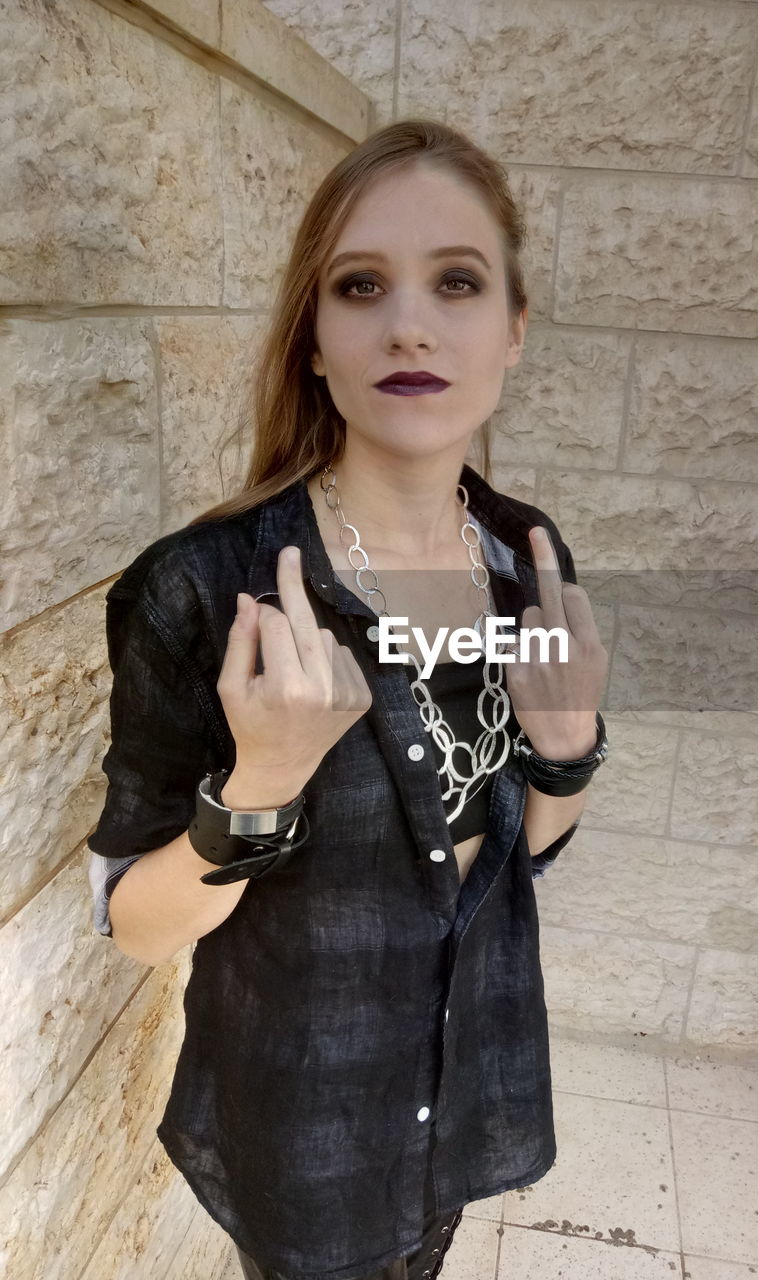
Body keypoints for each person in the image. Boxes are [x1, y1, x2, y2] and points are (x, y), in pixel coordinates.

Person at [86, 118, 610, 1280]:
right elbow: (134, 923)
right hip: (305, 1124)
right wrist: (260, 784)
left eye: (457, 282)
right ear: (314, 340)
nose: (410, 323)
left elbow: (519, 855)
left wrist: (566, 747)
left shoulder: (530, 559)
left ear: (513, 328)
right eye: (361, 284)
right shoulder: (201, 585)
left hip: (467, 1076)